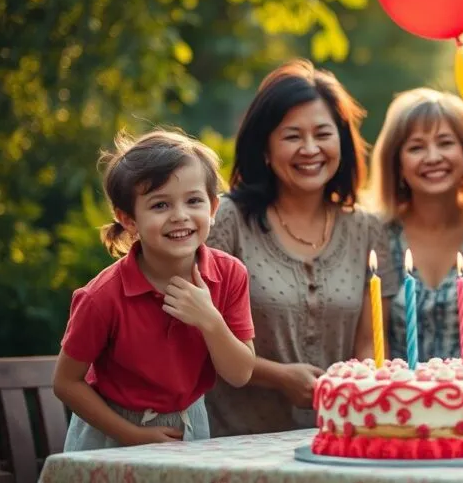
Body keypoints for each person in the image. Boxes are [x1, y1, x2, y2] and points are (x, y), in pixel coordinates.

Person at [204, 59, 398, 436]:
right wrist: (278, 377)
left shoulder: (367, 229)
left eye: (322, 134)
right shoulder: (228, 221)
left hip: (336, 440)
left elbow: (371, 344)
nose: (310, 149)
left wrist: (359, 385)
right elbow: (198, 335)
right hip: (235, 442)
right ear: (265, 148)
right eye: (292, 136)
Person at [53, 130, 256, 450]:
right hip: (111, 434)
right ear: (129, 219)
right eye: (160, 204)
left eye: (193, 201)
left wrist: (210, 320)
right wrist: (131, 435)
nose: (180, 216)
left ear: (213, 208)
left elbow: (241, 373)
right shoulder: (101, 297)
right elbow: (66, 382)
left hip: (188, 426)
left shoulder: (230, 275)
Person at [368, 88, 463, 362]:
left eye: (445, 142)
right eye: (416, 147)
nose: (433, 157)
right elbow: (372, 342)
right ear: (396, 163)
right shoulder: (377, 234)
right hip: (398, 399)